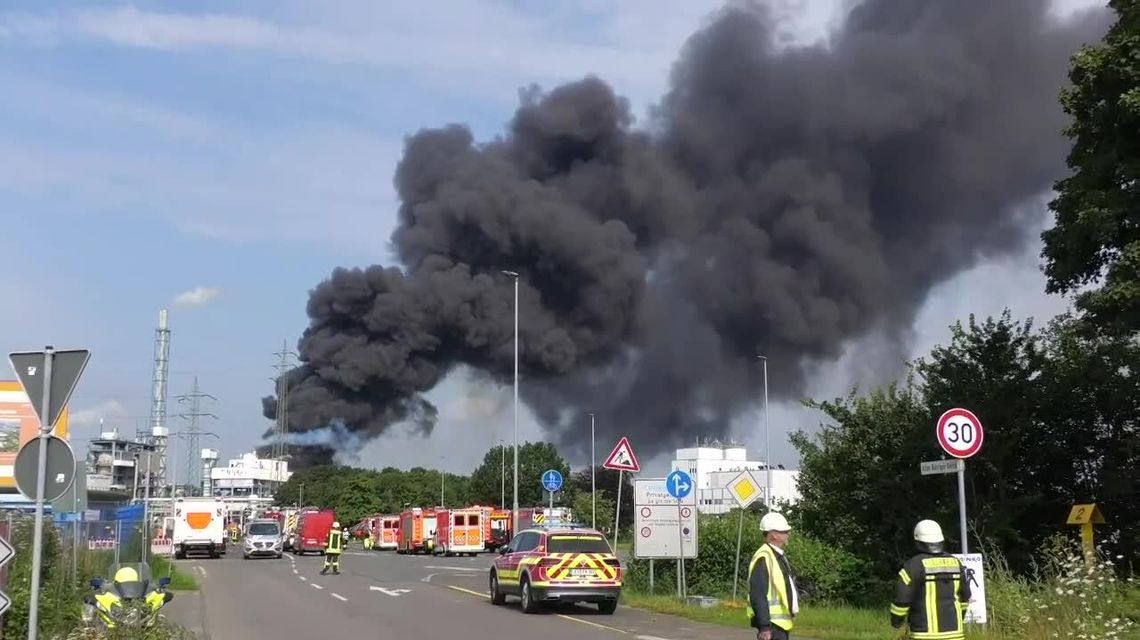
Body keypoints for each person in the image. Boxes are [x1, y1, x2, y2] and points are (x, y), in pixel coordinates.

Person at [890, 519, 972, 640]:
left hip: (924, 635)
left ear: (918, 542)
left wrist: (896, 622)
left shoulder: (914, 565)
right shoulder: (956, 563)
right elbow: (965, 597)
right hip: (955, 634)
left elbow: (902, 600)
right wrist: (958, 616)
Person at [747, 512, 799, 640]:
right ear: (773, 534)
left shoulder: (777, 556)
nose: (788, 534)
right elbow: (758, 594)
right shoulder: (764, 557)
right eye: (784, 531)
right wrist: (764, 627)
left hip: (780, 624)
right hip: (771, 625)